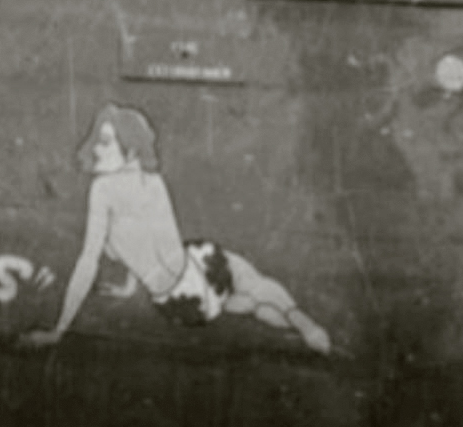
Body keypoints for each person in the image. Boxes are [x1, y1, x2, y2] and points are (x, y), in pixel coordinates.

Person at [19, 104, 332, 353]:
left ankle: (299, 326)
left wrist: (59, 330)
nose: (97, 150)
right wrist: (129, 284)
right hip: (200, 265)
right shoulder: (154, 182)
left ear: (130, 150)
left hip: (179, 302)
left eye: (105, 142)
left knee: (245, 304)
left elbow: (93, 259)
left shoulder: (102, 190)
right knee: (253, 286)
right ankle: (305, 325)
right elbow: (149, 236)